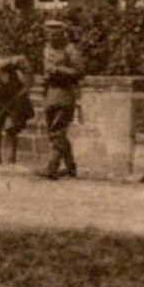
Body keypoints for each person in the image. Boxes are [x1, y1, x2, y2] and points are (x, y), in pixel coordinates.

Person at [37, 19, 85, 179]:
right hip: (51, 95)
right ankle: (71, 167)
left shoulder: (70, 50)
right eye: (48, 34)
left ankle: (52, 168)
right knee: (55, 133)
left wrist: (58, 70)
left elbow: (79, 72)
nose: (51, 38)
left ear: (61, 34)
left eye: (55, 34)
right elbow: (46, 70)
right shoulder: (46, 49)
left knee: (58, 132)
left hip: (65, 95)